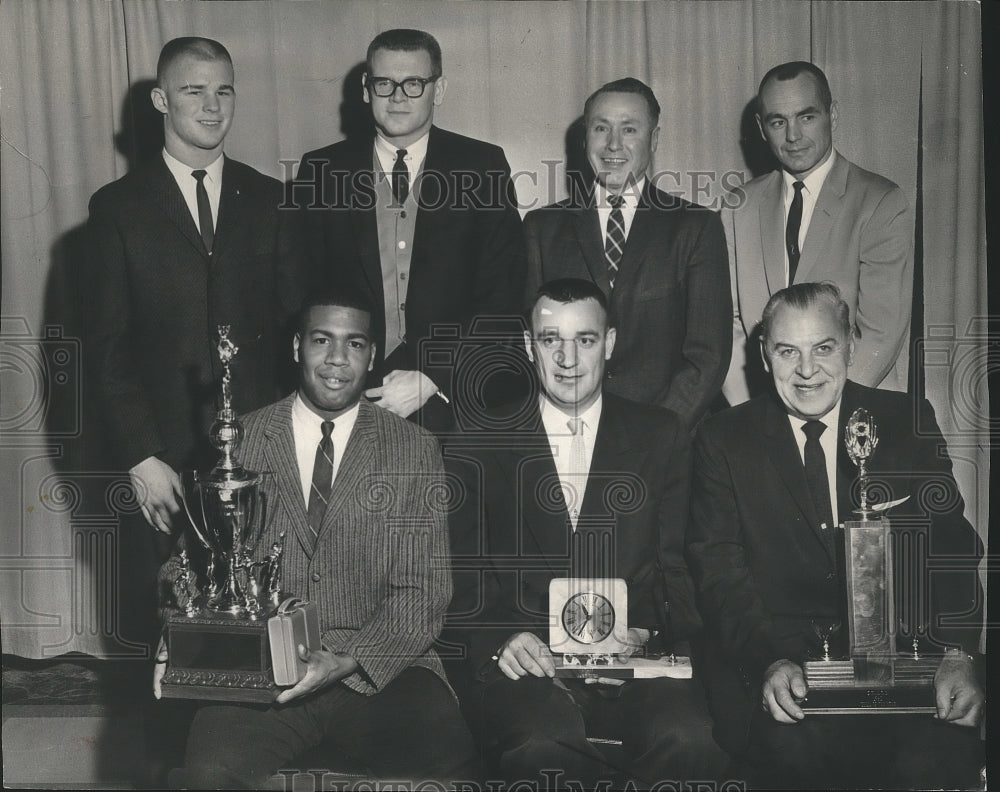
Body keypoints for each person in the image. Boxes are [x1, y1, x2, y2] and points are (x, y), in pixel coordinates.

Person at [154, 288, 480, 788]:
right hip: (262, 676)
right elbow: (188, 566)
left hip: (381, 668)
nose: (336, 360)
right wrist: (176, 636)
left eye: (354, 345)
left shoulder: (413, 448)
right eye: (321, 340)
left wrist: (347, 661)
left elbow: (424, 593)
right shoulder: (239, 440)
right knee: (205, 776)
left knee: (448, 765)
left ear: (372, 356)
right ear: (295, 347)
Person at [689, 283, 984, 789]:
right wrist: (769, 661)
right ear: (763, 356)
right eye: (788, 351)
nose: (807, 371)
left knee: (935, 762)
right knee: (794, 764)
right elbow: (719, 573)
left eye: (823, 348)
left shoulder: (904, 421)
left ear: (850, 343)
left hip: (904, 668)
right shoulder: (723, 440)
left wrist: (957, 655)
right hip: (783, 671)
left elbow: (953, 550)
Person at [446, 279, 726, 787]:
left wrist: (645, 633)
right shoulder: (479, 438)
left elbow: (679, 572)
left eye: (586, 340)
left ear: (611, 343)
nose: (568, 358)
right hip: (525, 665)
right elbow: (458, 575)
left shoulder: (660, 435)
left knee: (688, 739)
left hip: (633, 658)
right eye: (551, 340)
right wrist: (502, 639)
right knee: (540, 744)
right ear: (530, 348)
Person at [86, 37, 303, 653]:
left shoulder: (271, 199)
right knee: (174, 635)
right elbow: (104, 346)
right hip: (166, 464)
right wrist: (140, 455)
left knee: (264, 625)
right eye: (193, 91)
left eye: (224, 90)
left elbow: (296, 331)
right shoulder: (117, 209)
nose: (212, 107)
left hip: (261, 456)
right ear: (160, 100)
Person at [292, 28, 526, 434]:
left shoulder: (482, 167)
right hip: (348, 399)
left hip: (455, 402)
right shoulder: (322, 170)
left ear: (439, 89)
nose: (397, 97)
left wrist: (434, 375)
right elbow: (301, 289)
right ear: (366, 90)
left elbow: (504, 294)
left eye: (413, 83)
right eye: (384, 83)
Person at [523, 78, 731, 429]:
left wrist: (655, 436)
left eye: (629, 129)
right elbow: (527, 344)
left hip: (666, 439)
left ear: (655, 139)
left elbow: (707, 357)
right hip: (568, 433)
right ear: (585, 137)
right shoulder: (542, 227)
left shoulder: (696, 228)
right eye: (601, 128)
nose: (613, 144)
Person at [722, 61, 913, 404]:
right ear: (761, 128)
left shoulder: (880, 201)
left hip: (853, 406)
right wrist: (751, 415)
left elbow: (880, 335)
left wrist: (816, 411)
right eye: (778, 121)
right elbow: (731, 325)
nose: (793, 136)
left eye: (806, 117)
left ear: (832, 115)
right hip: (760, 416)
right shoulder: (739, 205)